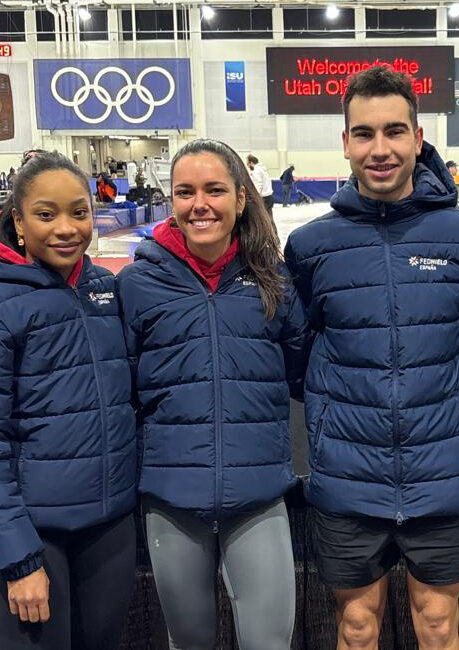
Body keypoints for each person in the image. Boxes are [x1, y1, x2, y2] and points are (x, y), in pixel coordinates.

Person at [285, 65, 459, 650]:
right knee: (355, 627)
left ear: (418, 138)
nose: (381, 149)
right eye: (365, 133)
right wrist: (332, 423)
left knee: (437, 623)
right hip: (348, 477)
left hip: (441, 473)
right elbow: (299, 354)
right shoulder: (310, 246)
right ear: (345, 143)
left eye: (395, 131)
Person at [117, 139, 310, 650]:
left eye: (214, 190)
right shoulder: (137, 284)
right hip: (172, 498)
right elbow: (128, 384)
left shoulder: (273, 281)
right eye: (185, 192)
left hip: (258, 495)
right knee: (190, 641)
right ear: (171, 200)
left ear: (241, 198)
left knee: (269, 642)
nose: (199, 204)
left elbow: (296, 369)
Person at [0, 152, 137, 649]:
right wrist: (18, 558)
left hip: (110, 526)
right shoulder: (6, 302)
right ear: (18, 220)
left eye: (79, 212)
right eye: (45, 214)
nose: (66, 228)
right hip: (38, 536)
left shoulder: (105, 288)